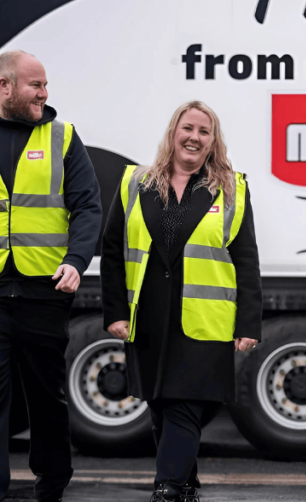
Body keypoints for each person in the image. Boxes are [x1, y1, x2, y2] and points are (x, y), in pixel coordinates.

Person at [101, 101, 262, 502]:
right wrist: (115, 312)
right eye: (187, 128)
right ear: (173, 132)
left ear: (213, 142)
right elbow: (112, 251)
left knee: (185, 404)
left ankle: (168, 486)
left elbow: (246, 260)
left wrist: (248, 323)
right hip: (150, 313)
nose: (194, 137)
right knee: (161, 403)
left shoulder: (230, 189)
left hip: (204, 317)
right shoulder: (135, 184)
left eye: (204, 131)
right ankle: (186, 481)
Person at [0, 51, 102, 502]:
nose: (45, 93)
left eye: (45, 85)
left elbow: (88, 207)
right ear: (4, 86)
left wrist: (76, 261)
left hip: (45, 290)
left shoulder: (62, 138)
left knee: (45, 398)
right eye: (35, 85)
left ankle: (53, 482)